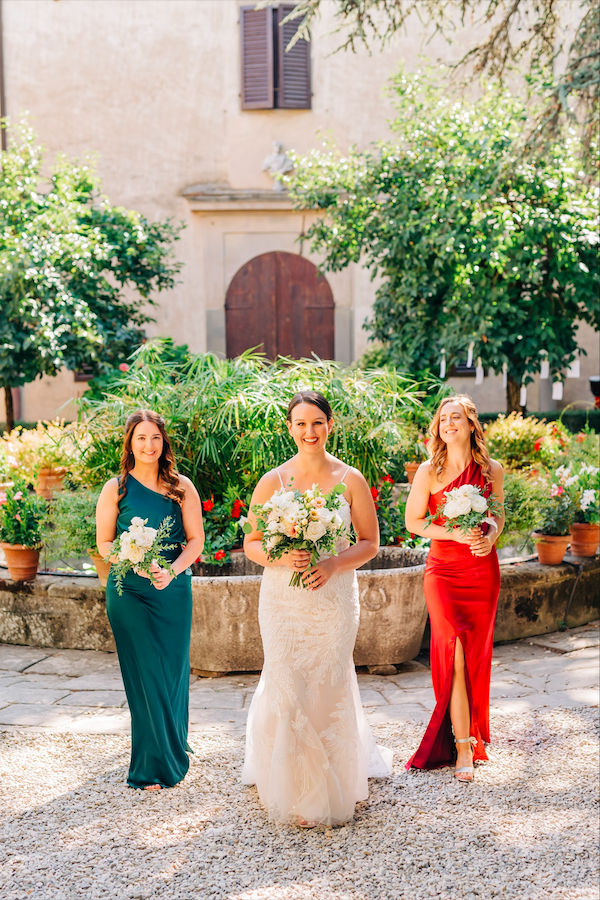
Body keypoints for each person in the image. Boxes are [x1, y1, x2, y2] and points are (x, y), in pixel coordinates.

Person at [241, 390, 392, 827]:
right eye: (301, 424)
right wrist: (284, 558)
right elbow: (251, 544)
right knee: (287, 683)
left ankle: (329, 784)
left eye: (317, 423)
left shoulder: (351, 480)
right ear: (290, 428)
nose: (310, 432)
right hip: (283, 602)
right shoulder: (273, 482)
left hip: (334, 600)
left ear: (330, 426)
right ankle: (294, 785)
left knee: (327, 687)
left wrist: (332, 564)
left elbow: (370, 542)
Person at [96, 409, 204, 790]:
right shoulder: (116, 488)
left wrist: (171, 571)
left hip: (172, 590)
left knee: (172, 674)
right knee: (146, 677)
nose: (148, 445)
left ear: (164, 442)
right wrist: (130, 558)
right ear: (129, 443)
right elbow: (104, 542)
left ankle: (173, 744)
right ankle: (151, 766)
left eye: (155, 438)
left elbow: (196, 542)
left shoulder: (181, 486)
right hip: (129, 593)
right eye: (141, 438)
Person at [404, 394, 504, 782]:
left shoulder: (492, 469)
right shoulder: (429, 471)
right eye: (443, 418)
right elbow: (414, 521)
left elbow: (496, 515)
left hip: (482, 571)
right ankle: (463, 745)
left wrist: (491, 535)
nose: (449, 424)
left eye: (456, 417)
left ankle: (470, 735)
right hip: (443, 571)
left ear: (471, 425)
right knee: (454, 651)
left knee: (475, 654)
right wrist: (456, 534)